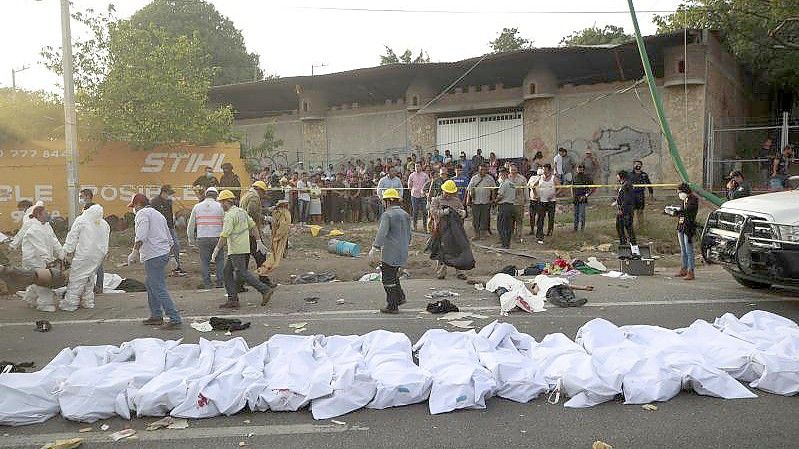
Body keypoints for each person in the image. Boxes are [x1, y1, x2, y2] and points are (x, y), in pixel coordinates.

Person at [127, 193, 182, 330]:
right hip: (162, 253)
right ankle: (156, 315)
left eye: (134, 206)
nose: (134, 209)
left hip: (153, 254)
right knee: (150, 283)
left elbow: (141, 235)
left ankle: (174, 318)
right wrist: (171, 257)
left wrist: (134, 251)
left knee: (157, 286)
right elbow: (169, 237)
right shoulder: (158, 214)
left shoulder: (142, 214)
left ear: (138, 204)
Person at [214, 190, 275, 309]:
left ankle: (265, 290)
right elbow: (253, 226)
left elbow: (225, 235)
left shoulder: (230, 216)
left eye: (222, 203)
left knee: (242, 272)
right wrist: (258, 241)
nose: (221, 205)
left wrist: (216, 249)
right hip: (242, 247)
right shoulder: (241, 212)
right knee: (227, 273)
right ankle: (233, 299)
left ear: (227, 202)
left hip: (236, 249)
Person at [368, 188, 411, 314]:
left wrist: (375, 247)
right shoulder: (405, 214)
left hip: (390, 251)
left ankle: (392, 305)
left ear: (387, 201)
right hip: (402, 250)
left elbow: (382, 233)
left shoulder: (387, 215)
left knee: (387, 278)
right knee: (393, 274)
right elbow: (409, 234)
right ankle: (400, 297)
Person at [61, 203, 109, 311]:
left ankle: (70, 303)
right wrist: (103, 254)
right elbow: (106, 241)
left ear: (86, 209)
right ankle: (87, 301)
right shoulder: (104, 223)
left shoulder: (81, 220)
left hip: (84, 255)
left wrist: (65, 252)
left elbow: (72, 237)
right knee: (89, 278)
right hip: (98, 256)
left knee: (76, 278)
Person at [20, 204, 63, 312]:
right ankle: (44, 304)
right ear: (39, 215)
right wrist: (49, 261)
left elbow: (54, 241)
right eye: (45, 213)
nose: (48, 214)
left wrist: (62, 254)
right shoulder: (33, 230)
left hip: (42, 260)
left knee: (36, 281)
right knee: (44, 282)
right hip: (33, 261)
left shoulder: (46, 226)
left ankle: (30, 299)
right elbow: (40, 248)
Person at [429, 179, 469, 280]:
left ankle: (460, 271)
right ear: (443, 190)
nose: (448, 195)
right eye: (447, 192)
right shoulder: (437, 200)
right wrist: (443, 212)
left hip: (455, 230)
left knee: (457, 249)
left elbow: (463, 211)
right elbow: (433, 212)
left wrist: (462, 213)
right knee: (442, 251)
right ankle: (441, 271)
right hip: (441, 230)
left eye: (451, 193)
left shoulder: (456, 201)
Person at [187, 187, 226, 289]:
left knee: (205, 262)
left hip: (202, 238)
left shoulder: (197, 207)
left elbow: (190, 226)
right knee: (219, 261)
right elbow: (225, 223)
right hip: (217, 238)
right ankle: (219, 283)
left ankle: (207, 284)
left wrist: (191, 240)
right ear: (216, 196)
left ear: (206, 195)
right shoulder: (220, 206)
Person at [150, 185, 186, 277]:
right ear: (163, 192)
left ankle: (176, 267)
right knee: (160, 248)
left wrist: (173, 224)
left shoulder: (169, 202)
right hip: (158, 228)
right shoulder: (154, 202)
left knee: (176, 246)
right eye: (169, 194)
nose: (170, 196)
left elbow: (170, 214)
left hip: (169, 227)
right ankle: (158, 268)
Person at [240, 180, 270, 273]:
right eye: (263, 192)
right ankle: (263, 278)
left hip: (243, 230)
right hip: (251, 231)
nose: (263, 195)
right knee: (261, 255)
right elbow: (252, 213)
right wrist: (265, 218)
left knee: (245, 257)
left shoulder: (246, 195)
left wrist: (267, 210)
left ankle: (240, 282)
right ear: (260, 190)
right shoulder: (254, 197)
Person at [672, 183, 699, 281]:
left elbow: (687, 211)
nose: (679, 194)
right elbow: (681, 211)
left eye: (680, 192)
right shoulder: (684, 200)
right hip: (681, 225)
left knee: (689, 250)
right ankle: (683, 268)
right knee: (683, 250)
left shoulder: (693, 199)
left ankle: (691, 271)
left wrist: (677, 212)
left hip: (688, 227)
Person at [258, 199, 291, 276]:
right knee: (276, 253)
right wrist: (277, 236)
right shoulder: (284, 213)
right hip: (279, 235)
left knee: (275, 251)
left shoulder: (277, 212)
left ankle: (265, 267)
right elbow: (283, 226)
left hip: (276, 234)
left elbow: (281, 225)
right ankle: (266, 268)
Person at [614, 170, 641, 258]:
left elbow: (627, 199)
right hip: (623, 211)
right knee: (619, 227)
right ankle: (624, 246)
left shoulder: (627, 185)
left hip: (626, 212)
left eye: (617, 176)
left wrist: (621, 209)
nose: (616, 178)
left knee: (629, 230)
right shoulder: (624, 185)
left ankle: (635, 251)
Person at [466, 164, 496, 240]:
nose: (482, 171)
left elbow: (493, 190)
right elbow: (469, 189)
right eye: (481, 169)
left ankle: (483, 234)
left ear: (486, 170)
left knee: (484, 219)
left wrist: (492, 200)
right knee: (475, 219)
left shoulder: (490, 178)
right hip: (475, 202)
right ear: (478, 170)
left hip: (486, 202)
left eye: (484, 169)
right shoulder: (474, 178)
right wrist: (468, 200)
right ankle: (476, 234)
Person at [532, 164, 558, 244]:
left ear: (549, 170)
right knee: (540, 218)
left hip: (551, 201)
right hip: (542, 201)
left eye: (546, 170)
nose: (544, 171)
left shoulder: (554, 178)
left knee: (551, 217)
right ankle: (539, 234)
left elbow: (561, 188)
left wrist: (553, 195)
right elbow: (533, 186)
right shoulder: (540, 178)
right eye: (543, 170)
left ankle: (550, 232)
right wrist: (536, 195)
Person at [495, 168, 517, 249]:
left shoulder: (504, 184)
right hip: (511, 205)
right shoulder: (512, 183)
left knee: (502, 226)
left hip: (504, 206)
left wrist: (494, 201)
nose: (500, 175)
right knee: (508, 226)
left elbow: (500, 196)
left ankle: (504, 244)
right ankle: (507, 243)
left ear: (503, 174)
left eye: (501, 173)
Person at [629, 160, 653, 229]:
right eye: (636, 164)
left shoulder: (644, 175)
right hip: (632, 195)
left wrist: (651, 193)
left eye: (639, 164)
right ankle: (630, 225)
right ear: (633, 165)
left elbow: (649, 184)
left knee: (640, 211)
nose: (638, 166)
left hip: (640, 195)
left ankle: (640, 225)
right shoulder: (629, 174)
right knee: (631, 211)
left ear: (641, 166)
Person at [407, 163, 430, 231]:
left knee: (424, 211)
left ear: (421, 167)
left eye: (418, 166)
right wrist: (413, 190)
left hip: (423, 196)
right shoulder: (411, 175)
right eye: (416, 166)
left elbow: (428, 184)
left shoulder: (425, 175)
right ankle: (414, 225)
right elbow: (409, 185)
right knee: (415, 211)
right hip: (414, 195)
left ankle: (425, 226)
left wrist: (425, 191)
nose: (417, 167)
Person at [572, 164, 594, 232]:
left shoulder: (587, 177)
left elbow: (593, 187)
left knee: (582, 215)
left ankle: (582, 229)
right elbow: (572, 187)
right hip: (576, 198)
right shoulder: (575, 177)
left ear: (583, 169)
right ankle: (575, 229)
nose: (579, 169)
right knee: (576, 214)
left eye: (581, 168)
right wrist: (573, 195)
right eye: (578, 168)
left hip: (583, 198)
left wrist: (586, 195)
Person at [508, 164, 528, 241]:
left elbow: (525, 190)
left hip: (519, 203)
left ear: (517, 170)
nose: (513, 171)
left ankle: (518, 236)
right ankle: (511, 235)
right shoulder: (506, 178)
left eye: (514, 169)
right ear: (509, 170)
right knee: (510, 221)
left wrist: (526, 200)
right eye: (511, 169)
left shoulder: (522, 179)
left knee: (519, 220)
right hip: (509, 202)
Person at [527, 167, 543, 236]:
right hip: (533, 199)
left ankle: (539, 230)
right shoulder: (532, 178)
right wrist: (539, 179)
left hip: (541, 200)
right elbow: (531, 186)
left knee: (540, 216)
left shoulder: (545, 178)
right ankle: (532, 230)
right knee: (532, 216)